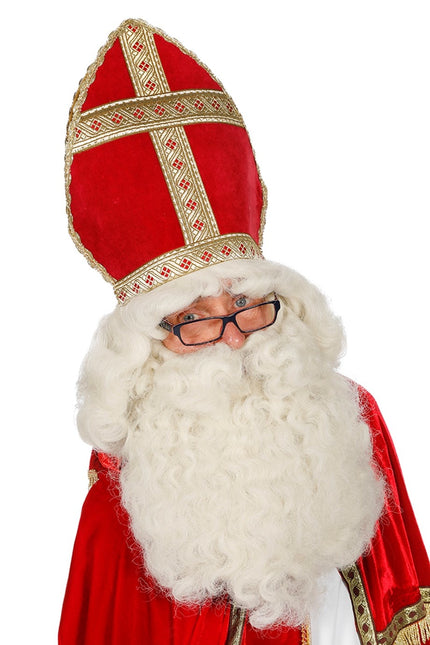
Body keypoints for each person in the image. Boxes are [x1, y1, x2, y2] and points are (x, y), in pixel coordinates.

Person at [59, 18, 429, 645]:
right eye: (195, 318)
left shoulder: (350, 416)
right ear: (147, 343)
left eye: (244, 303)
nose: (233, 336)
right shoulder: (124, 483)